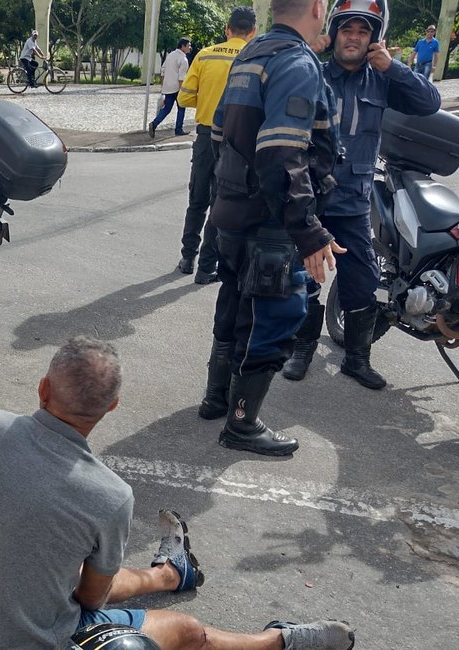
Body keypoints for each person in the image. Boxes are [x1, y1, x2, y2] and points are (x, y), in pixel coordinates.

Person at [0, 336, 357, 650]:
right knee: (189, 631)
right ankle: (277, 641)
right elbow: (92, 600)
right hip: (32, 641)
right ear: (112, 407)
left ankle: (171, 573)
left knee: (70, 569)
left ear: (42, 389)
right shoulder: (108, 495)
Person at [198, 0, 344, 457]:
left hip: (233, 210)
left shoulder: (252, 53)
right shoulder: (296, 62)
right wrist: (308, 231)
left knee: (236, 299)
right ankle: (242, 424)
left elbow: (220, 131)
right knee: (276, 316)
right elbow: (282, 154)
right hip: (269, 220)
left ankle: (216, 398)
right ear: (318, 7)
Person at [282, 0, 440, 388]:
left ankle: (357, 358)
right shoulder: (312, 73)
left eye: (363, 31)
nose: (353, 37)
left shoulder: (383, 78)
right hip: (312, 199)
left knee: (363, 280)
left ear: (374, 38)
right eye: (347, 29)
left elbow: (429, 103)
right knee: (301, 276)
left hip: (353, 201)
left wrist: (394, 67)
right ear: (334, 32)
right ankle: (301, 348)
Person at [175, 6, 258, 283]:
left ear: (227, 29)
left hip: (205, 135)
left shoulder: (205, 54)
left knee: (196, 200)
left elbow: (183, 98)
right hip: (238, 142)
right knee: (219, 203)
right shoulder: (255, 58)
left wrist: (208, 99)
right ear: (253, 32)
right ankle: (206, 268)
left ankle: (187, 257)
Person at [149, 38, 192, 138]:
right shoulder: (183, 59)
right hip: (177, 88)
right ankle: (178, 129)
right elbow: (181, 78)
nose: (190, 47)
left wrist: (163, 85)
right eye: (188, 45)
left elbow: (162, 70)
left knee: (167, 108)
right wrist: (182, 91)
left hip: (168, 87)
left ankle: (154, 124)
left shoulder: (170, 56)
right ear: (183, 46)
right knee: (181, 108)